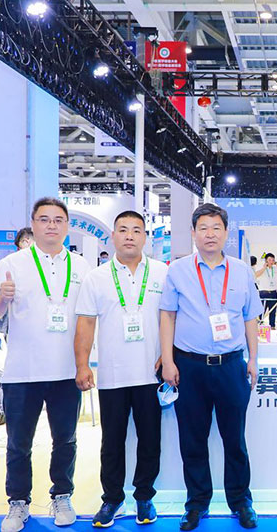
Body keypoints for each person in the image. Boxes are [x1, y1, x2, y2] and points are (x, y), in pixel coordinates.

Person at [0, 197, 91, 532]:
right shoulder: (12, 263)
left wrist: (85, 363)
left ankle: (62, 495)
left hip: (66, 371)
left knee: (66, 440)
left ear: (67, 226)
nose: (51, 226)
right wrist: (2, 298)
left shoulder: (82, 267)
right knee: (19, 444)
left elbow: (89, 319)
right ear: (33, 224)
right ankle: (18, 503)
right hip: (22, 372)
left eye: (58, 220)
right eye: (44, 220)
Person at [159, 203, 263, 531]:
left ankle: (240, 501)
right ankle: (196, 502)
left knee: (235, 439)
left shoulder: (241, 270)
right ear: (193, 233)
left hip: (232, 366)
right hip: (189, 366)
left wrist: (253, 359)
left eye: (216, 228)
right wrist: (168, 360)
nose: (210, 234)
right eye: (203, 228)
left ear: (226, 233)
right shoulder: (178, 270)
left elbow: (250, 317)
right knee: (192, 439)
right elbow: (167, 316)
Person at [73, 210, 168, 527]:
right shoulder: (97, 277)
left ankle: (144, 497)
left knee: (150, 440)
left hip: (151, 373)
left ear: (145, 237)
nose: (130, 235)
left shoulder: (162, 273)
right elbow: (86, 323)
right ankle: (112, 499)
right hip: (112, 375)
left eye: (136, 230)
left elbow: (172, 318)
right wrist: (82, 365)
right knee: (112, 442)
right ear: (113, 236)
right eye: (123, 230)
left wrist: (168, 356)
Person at [254, 253, 277, 329]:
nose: (271, 261)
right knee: (261, 311)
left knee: (273, 311)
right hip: (264, 292)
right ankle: (259, 326)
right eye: (269, 260)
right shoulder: (261, 267)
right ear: (266, 260)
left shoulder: (274, 268)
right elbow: (256, 275)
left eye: (273, 260)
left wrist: (276, 263)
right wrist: (264, 268)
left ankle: (272, 326)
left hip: (273, 292)